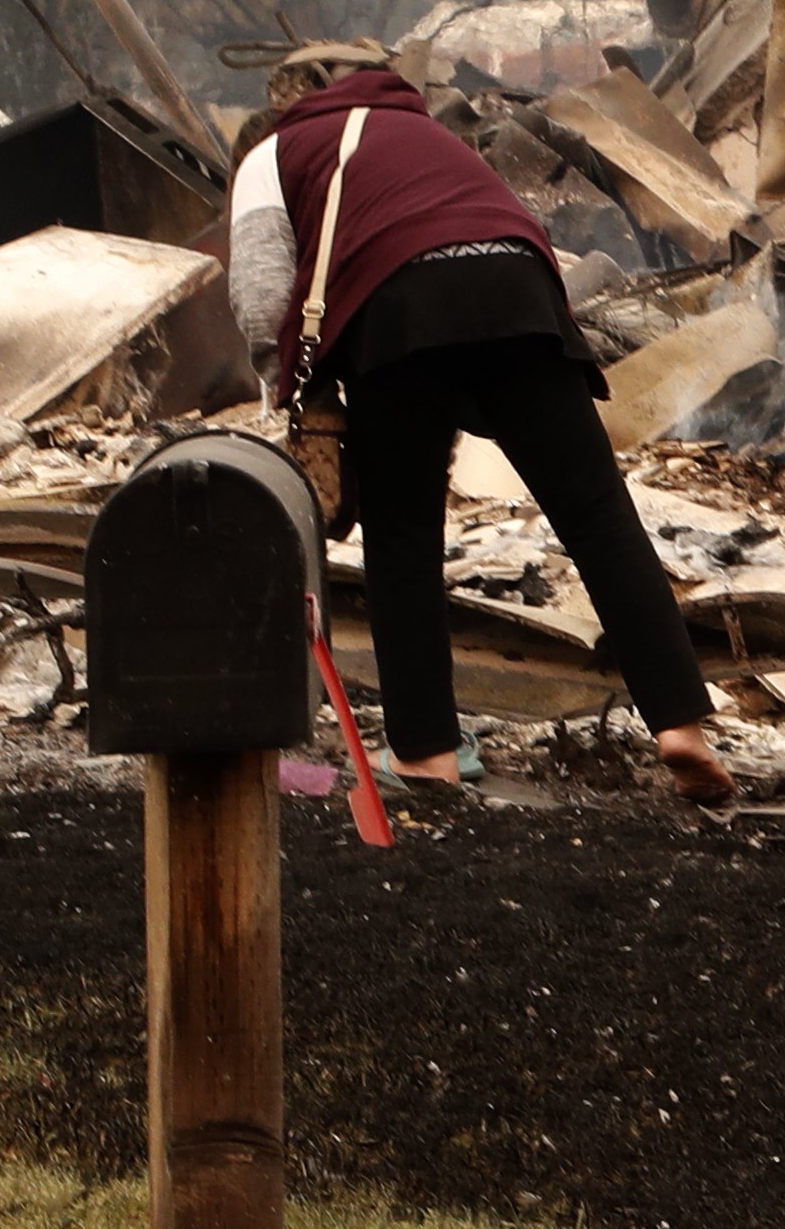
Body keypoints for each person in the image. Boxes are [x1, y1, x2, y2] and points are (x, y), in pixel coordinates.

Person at [230, 46, 737, 808]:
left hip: (396, 312)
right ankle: (681, 728)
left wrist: (300, 395)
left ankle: (427, 753)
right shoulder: (423, 132)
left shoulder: (270, 154)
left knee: (403, 535)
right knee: (598, 516)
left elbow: (263, 293)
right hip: (521, 295)